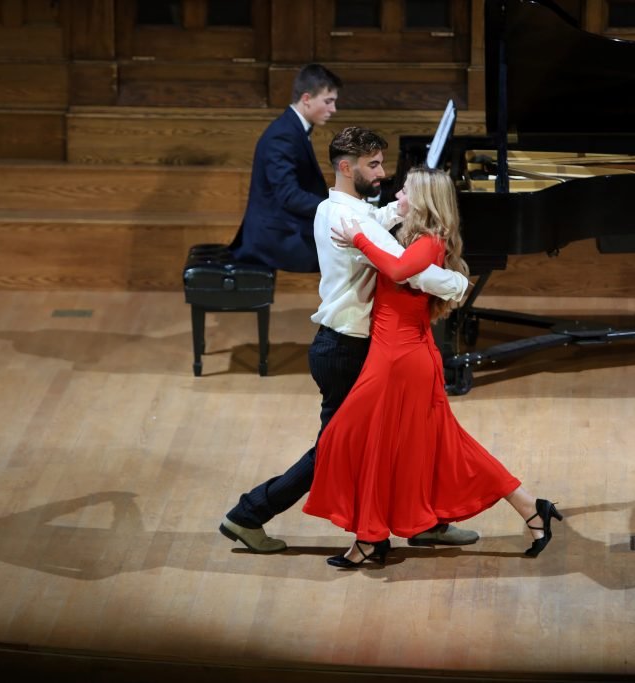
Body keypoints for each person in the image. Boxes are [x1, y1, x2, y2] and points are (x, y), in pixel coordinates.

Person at [220, 128, 479, 552]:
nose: (383, 174)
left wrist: (394, 211)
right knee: (335, 450)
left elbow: (373, 223)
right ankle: (249, 514)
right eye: (373, 165)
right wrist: (456, 282)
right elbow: (402, 267)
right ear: (347, 167)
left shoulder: (334, 207)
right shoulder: (351, 218)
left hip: (344, 344)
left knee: (402, 435)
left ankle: (419, 522)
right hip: (345, 349)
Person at [302, 166, 562, 568]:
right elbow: (385, 230)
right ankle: (529, 507)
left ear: (420, 201)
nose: (397, 195)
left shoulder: (427, 242)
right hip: (398, 354)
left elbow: (398, 270)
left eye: (404, 191)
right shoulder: (408, 234)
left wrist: (355, 237)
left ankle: (371, 536)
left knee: (347, 435)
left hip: (400, 359)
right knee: (432, 446)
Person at [229, 63, 341, 272]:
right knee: (350, 251)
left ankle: (342, 305)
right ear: (306, 99)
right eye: (328, 101)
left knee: (351, 246)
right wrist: (335, 208)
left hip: (285, 227)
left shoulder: (291, 128)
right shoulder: (283, 135)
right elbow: (289, 195)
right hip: (276, 236)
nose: (333, 109)